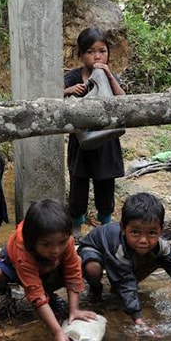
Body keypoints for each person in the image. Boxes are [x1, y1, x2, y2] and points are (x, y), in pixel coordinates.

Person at [77, 192, 171, 328]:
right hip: (94, 249)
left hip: (126, 257)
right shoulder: (119, 249)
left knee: (148, 263)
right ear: (123, 229)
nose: (143, 240)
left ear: (161, 231)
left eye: (151, 233)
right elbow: (126, 282)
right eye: (135, 232)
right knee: (93, 268)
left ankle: (117, 288)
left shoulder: (163, 246)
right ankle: (95, 290)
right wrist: (139, 321)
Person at [0, 198, 97, 341]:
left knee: (78, 262)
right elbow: (35, 294)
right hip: (15, 268)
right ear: (32, 241)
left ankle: (49, 294)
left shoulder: (66, 242)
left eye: (61, 242)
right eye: (46, 244)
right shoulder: (23, 250)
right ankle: (6, 297)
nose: (55, 250)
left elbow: (73, 274)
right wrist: (57, 330)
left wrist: (74, 310)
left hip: (47, 269)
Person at [64, 27, 125, 237]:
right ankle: (76, 222)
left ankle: (105, 223)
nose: (97, 56)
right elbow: (54, 99)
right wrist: (68, 91)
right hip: (81, 143)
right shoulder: (73, 77)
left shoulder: (111, 76)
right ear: (81, 55)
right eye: (90, 51)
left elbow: (123, 99)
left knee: (105, 185)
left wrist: (108, 75)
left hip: (106, 142)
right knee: (78, 185)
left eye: (102, 51)